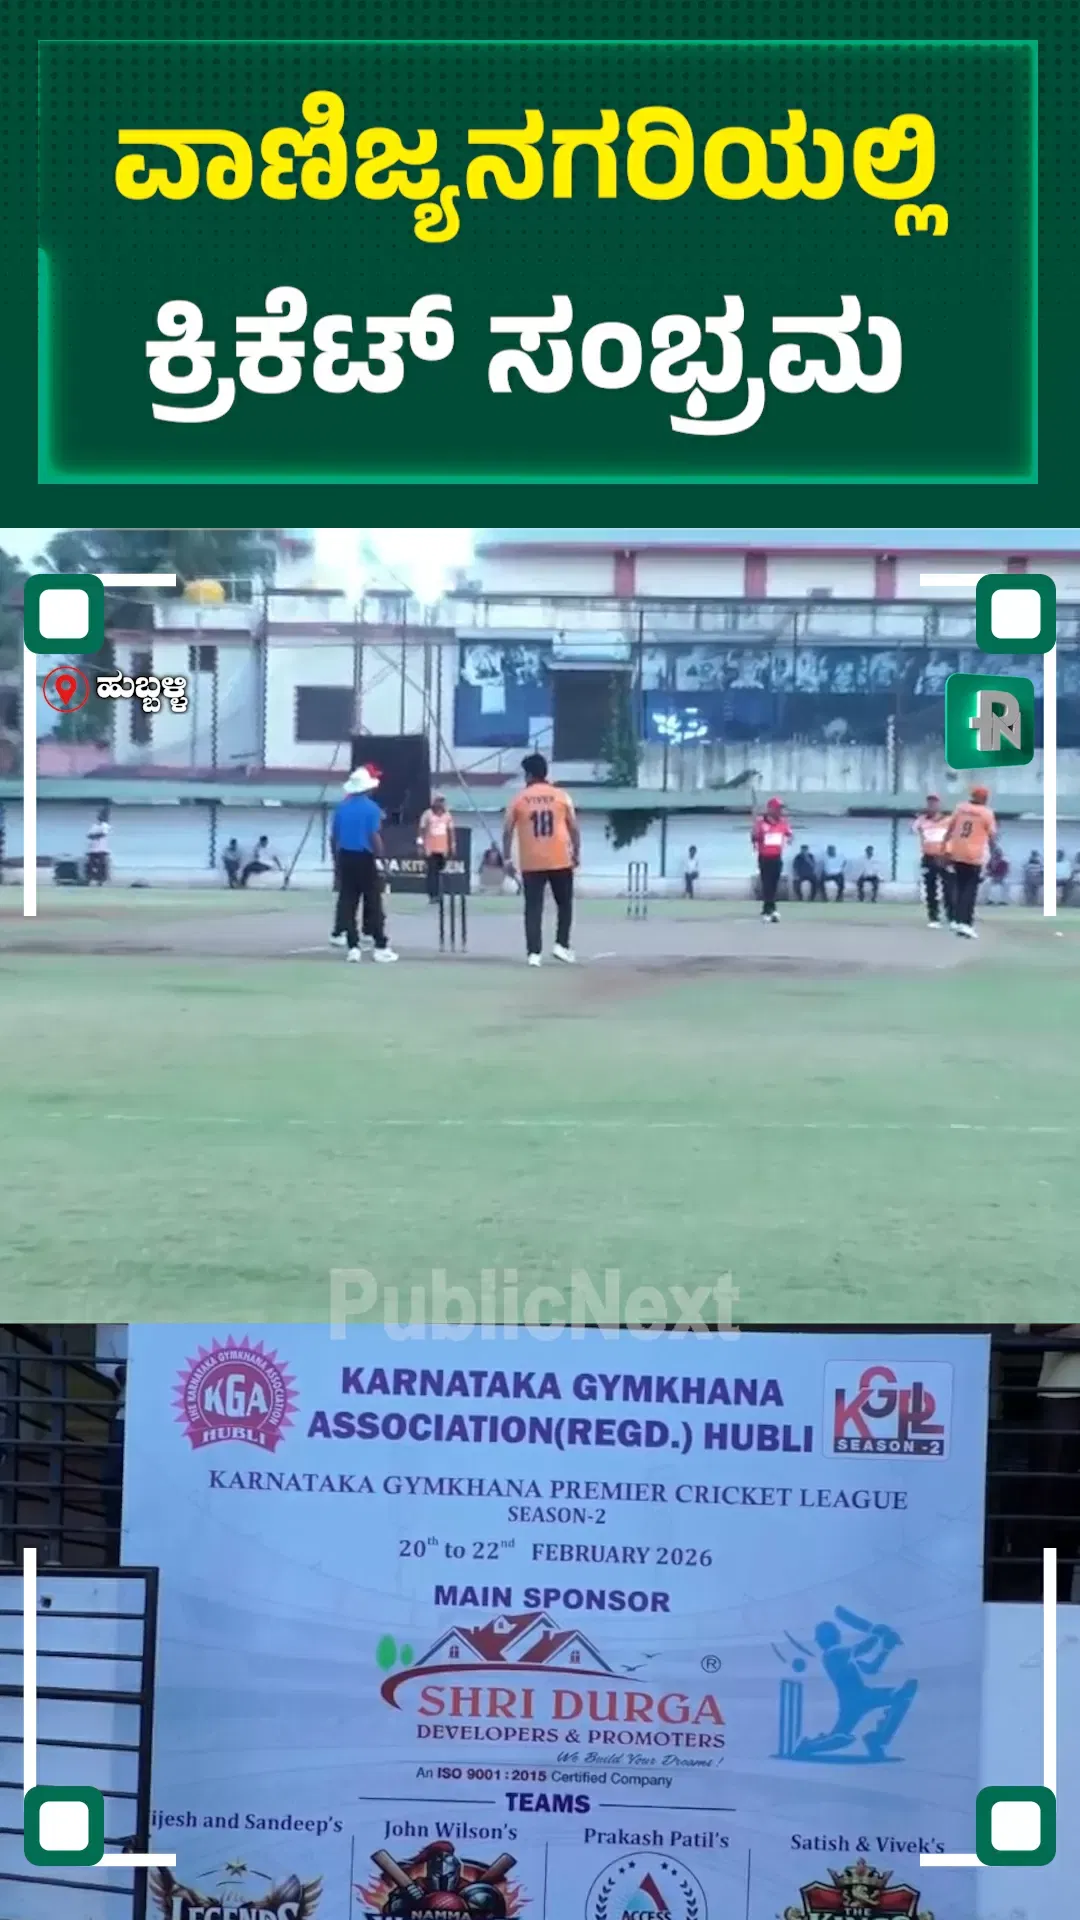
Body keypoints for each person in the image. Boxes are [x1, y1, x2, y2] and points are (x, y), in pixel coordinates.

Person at [502, 751, 580, 965]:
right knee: (564, 904)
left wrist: (507, 859)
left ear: (528, 775)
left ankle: (534, 953)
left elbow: (507, 831)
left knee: (533, 907)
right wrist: (576, 852)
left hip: (532, 861)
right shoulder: (561, 796)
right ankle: (561, 945)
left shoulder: (519, 799)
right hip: (560, 858)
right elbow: (574, 828)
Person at [329, 766, 398, 963]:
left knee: (348, 901)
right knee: (373, 901)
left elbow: (334, 837)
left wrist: (336, 860)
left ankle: (353, 947)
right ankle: (380, 946)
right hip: (364, 858)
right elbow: (374, 836)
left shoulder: (341, 808)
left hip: (345, 857)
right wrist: (382, 859)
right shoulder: (372, 809)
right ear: (367, 788)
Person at [942, 783, 997, 938]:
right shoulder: (986, 813)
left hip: (957, 853)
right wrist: (993, 854)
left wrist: (944, 849)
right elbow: (992, 836)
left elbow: (949, 829)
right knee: (970, 890)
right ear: (984, 798)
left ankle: (957, 920)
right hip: (974, 855)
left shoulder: (960, 808)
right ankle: (966, 923)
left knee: (959, 888)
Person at [750, 797, 792, 923]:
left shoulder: (783, 823)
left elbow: (789, 834)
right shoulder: (761, 823)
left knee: (774, 884)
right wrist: (754, 833)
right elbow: (754, 838)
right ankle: (770, 910)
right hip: (765, 858)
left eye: (781, 809)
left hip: (777, 857)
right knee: (767, 884)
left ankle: (768, 908)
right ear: (770, 809)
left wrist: (790, 838)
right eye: (778, 808)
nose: (780, 811)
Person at [912, 793, 951, 927]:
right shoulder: (921, 821)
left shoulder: (948, 820)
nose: (931, 806)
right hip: (928, 857)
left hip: (944, 857)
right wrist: (921, 817)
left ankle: (951, 915)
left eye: (934, 803)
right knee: (930, 889)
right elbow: (914, 829)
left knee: (949, 888)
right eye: (929, 803)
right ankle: (934, 917)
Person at [417, 793, 456, 903]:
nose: (441, 803)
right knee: (432, 872)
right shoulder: (427, 815)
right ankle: (433, 895)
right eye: (439, 801)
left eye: (442, 801)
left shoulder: (447, 816)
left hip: (443, 849)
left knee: (440, 871)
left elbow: (451, 832)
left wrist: (453, 845)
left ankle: (439, 893)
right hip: (430, 849)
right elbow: (421, 831)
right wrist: (420, 845)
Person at [86, 810, 110, 885]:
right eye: (99, 815)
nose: (99, 816)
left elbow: (103, 834)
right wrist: (95, 835)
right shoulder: (94, 826)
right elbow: (88, 835)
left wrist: (94, 835)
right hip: (93, 849)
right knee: (91, 865)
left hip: (101, 849)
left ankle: (101, 880)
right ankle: (91, 878)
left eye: (101, 815)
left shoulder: (105, 825)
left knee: (101, 865)